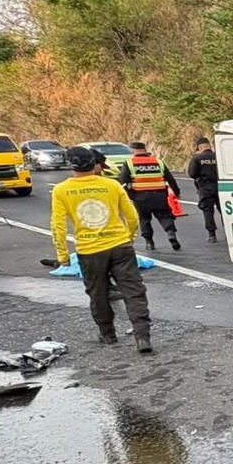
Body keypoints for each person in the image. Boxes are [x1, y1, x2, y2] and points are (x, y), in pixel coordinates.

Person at [52, 145, 154, 352]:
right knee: (134, 292)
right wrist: (130, 237)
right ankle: (142, 337)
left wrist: (62, 255)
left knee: (98, 293)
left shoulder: (61, 190)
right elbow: (132, 216)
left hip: (89, 251)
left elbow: (58, 225)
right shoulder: (111, 185)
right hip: (120, 246)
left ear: (70, 165)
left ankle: (108, 334)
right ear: (94, 164)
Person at [117, 140, 182, 252]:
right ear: (145, 150)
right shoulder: (158, 162)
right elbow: (170, 179)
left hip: (140, 197)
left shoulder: (129, 163)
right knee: (165, 216)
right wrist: (176, 192)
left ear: (133, 151)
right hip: (159, 195)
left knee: (144, 219)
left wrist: (130, 196)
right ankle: (171, 234)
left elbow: (123, 182)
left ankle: (149, 242)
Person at [186, 135, 220, 243]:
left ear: (200, 148)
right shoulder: (218, 156)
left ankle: (212, 235)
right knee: (223, 210)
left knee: (208, 211)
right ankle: (230, 233)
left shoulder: (197, 158)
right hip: (220, 186)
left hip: (205, 187)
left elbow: (191, 174)